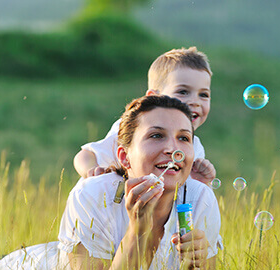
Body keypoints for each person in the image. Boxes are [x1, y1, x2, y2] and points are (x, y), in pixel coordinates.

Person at [0, 95, 223, 270]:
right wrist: (136, 232)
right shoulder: (93, 195)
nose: (172, 149)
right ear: (125, 157)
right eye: (156, 135)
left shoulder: (199, 199)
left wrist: (192, 269)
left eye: (184, 138)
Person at [73, 47, 216, 186]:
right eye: (183, 92)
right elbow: (85, 156)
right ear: (154, 97)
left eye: (203, 95)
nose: (195, 102)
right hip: (108, 204)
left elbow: (187, 192)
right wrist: (92, 173)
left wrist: (202, 181)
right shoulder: (135, 130)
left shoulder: (194, 146)